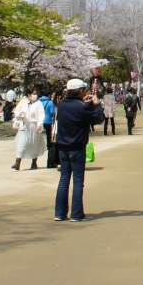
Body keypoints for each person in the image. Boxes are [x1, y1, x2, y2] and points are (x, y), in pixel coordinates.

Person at [53, 78, 105, 222]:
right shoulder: (82, 107)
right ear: (81, 91)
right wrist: (96, 105)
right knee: (77, 181)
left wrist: (85, 104)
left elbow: (76, 112)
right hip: (77, 147)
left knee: (64, 180)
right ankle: (76, 214)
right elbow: (99, 118)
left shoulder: (62, 104)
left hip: (63, 147)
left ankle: (60, 213)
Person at [12, 90, 46, 171]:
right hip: (24, 126)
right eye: (33, 94)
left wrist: (39, 124)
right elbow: (16, 110)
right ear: (29, 94)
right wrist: (20, 113)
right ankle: (17, 162)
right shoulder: (23, 101)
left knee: (34, 144)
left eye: (36, 94)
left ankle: (34, 162)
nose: (35, 95)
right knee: (21, 143)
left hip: (34, 126)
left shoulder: (38, 103)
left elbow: (41, 114)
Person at [40, 90, 58, 169]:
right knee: (48, 135)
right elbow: (52, 112)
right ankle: (48, 145)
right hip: (47, 121)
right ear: (48, 95)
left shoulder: (38, 102)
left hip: (40, 121)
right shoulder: (50, 103)